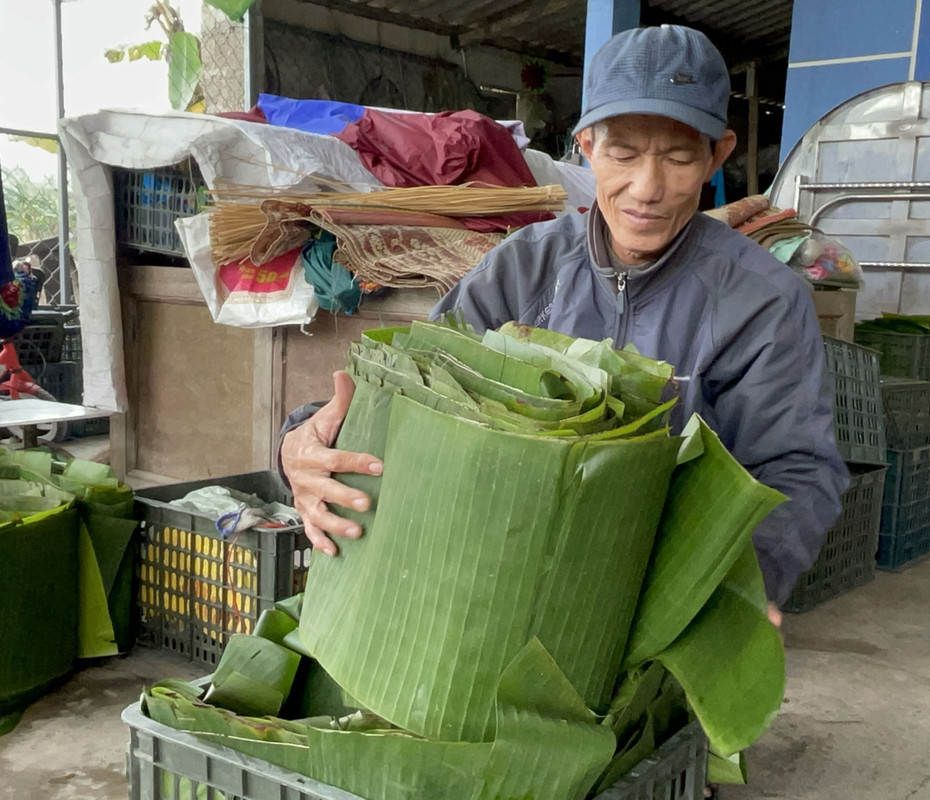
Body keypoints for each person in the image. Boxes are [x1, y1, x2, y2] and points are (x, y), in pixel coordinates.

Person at [279, 25, 850, 624]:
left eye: (680, 157)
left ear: (718, 154)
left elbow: (795, 467)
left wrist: (738, 587)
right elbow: (416, 394)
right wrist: (301, 441)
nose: (647, 188)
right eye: (623, 153)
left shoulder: (763, 300)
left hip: (649, 602)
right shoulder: (524, 266)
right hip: (499, 579)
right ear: (585, 146)